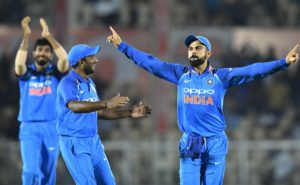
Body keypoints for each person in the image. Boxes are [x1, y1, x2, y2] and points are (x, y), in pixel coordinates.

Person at [107, 26, 299, 185]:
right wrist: (122, 46)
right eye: (190, 48)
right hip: (191, 142)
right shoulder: (180, 74)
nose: (193, 51)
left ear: (209, 53)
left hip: (216, 143)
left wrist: (282, 63)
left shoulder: (220, 77)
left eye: (198, 48)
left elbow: (252, 71)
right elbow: (150, 63)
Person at [57, 43, 152, 185]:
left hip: (93, 141)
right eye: (92, 57)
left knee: (109, 182)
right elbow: (74, 106)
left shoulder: (90, 83)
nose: (96, 60)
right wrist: (106, 103)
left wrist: (129, 113)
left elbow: (99, 112)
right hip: (74, 141)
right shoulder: (67, 83)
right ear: (80, 62)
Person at [15, 16, 69, 185]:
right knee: (30, 171)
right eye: (39, 50)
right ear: (34, 53)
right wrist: (26, 36)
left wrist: (48, 36)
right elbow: (18, 65)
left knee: (47, 173)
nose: (42, 53)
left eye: (46, 51)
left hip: (52, 127)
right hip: (29, 127)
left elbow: (65, 60)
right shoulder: (27, 74)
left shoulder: (55, 73)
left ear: (50, 55)